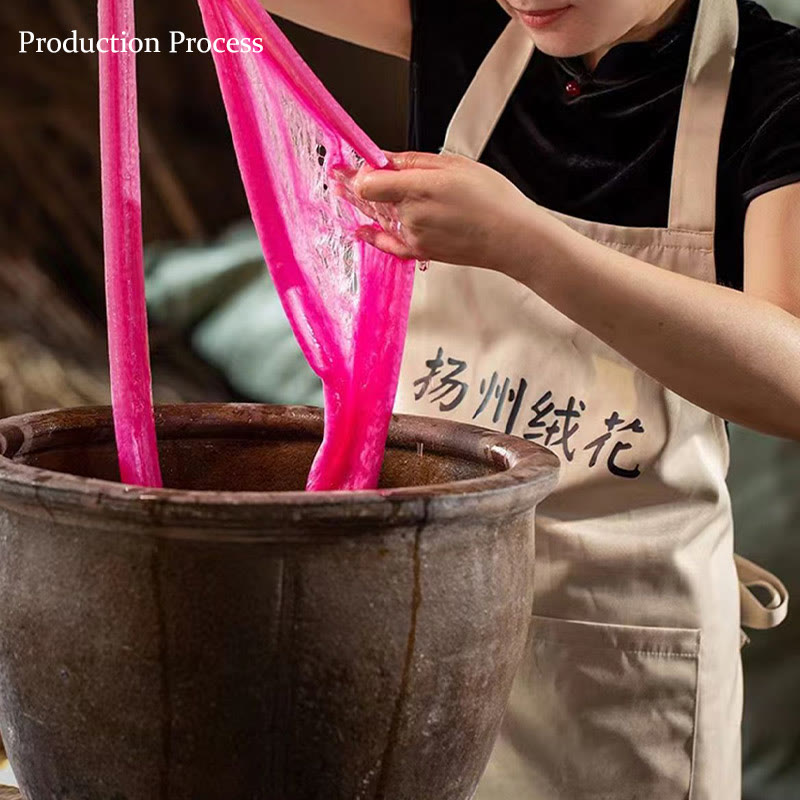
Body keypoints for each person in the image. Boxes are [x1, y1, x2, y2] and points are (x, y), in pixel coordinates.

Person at [261, 1, 799, 798]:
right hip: (409, 622)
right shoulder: (464, 25)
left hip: (617, 672)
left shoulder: (773, 86)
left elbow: (790, 379)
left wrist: (523, 242)